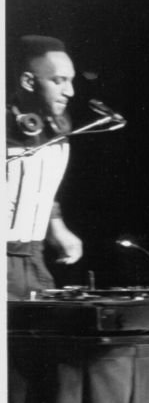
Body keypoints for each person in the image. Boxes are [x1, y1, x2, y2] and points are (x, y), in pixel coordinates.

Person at [6, 35, 83, 299]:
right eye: (58, 81)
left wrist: (57, 228)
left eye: (71, 80)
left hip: (35, 257)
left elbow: (42, 187)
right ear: (28, 81)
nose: (70, 92)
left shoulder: (55, 128)